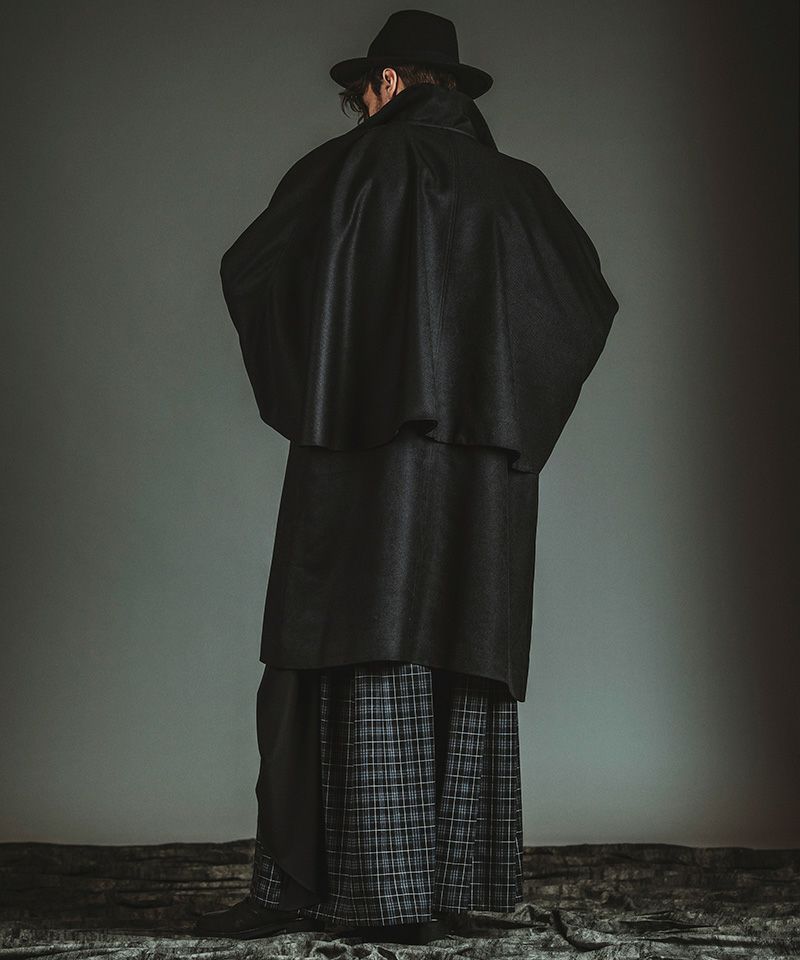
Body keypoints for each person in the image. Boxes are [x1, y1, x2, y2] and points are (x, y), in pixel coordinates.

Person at [196, 8, 619, 946]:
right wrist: (500, 409)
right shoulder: (520, 193)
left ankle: (340, 890)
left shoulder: (351, 171)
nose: (358, 109)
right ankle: (459, 886)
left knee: (347, 639)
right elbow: (584, 304)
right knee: (463, 643)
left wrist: (337, 380)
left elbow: (256, 271)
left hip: (367, 462)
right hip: (482, 482)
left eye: (361, 95)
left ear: (388, 83)